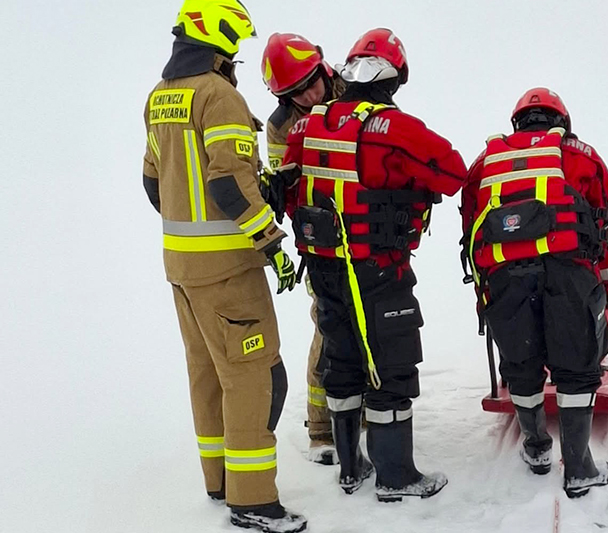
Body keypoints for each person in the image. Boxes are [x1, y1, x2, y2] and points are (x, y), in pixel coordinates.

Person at [275, 28, 467, 501]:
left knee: (342, 363)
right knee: (391, 366)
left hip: (323, 269)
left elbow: (287, 179)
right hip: (376, 269)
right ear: (395, 76)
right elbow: (453, 173)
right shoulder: (395, 128)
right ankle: (396, 476)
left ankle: (350, 468)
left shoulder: (307, 123)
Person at [141, 1, 305, 531]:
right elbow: (228, 183)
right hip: (229, 271)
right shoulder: (219, 95)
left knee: (208, 376)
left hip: (182, 270)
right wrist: (271, 242)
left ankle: (220, 483)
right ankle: (253, 500)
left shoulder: (160, 97)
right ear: (219, 34)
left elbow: (151, 183)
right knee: (255, 378)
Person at [460, 88, 608, 499]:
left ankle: (536, 448)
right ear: (562, 122)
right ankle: (579, 468)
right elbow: (606, 227)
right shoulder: (581, 155)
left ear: (516, 123)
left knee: (521, 364)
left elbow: (470, 230)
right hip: (568, 273)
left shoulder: (485, 162)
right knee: (575, 366)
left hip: (505, 277)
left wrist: (486, 295)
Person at [260, 32, 347, 466]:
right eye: (296, 93)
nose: (310, 95)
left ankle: (365, 412)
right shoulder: (279, 126)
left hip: (368, 227)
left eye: (313, 82)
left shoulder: (350, 88)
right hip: (322, 237)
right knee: (328, 325)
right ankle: (320, 428)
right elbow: (289, 186)